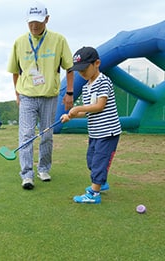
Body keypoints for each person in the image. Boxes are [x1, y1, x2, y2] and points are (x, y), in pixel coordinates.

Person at [7, 1, 74, 190]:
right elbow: (15, 71)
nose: (34, 26)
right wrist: (17, 93)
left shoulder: (58, 40)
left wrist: (69, 92)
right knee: (27, 134)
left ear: (47, 19)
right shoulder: (19, 42)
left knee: (46, 134)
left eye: (38, 22)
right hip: (27, 95)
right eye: (30, 22)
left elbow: (69, 68)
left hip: (49, 95)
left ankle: (43, 168)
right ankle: (27, 174)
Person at [60, 47, 121, 204]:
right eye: (78, 70)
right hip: (94, 132)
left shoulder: (103, 81)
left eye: (84, 68)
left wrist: (78, 108)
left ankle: (94, 193)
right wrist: (70, 116)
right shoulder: (86, 87)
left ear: (97, 63)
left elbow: (99, 106)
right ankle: (102, 182)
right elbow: (88, 112)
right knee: (91, 161)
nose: (81, 73)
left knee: (99, 161)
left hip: (108, 131)